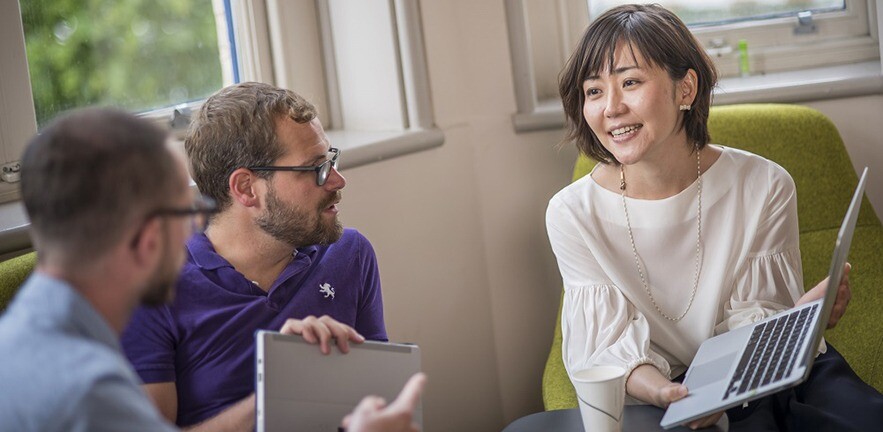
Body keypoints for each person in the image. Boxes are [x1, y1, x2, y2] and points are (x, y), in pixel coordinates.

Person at [546, 4, 883, 431]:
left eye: (630, 82)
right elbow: (607, 351)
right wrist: (669, 395)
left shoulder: (764, 184)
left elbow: (755, 321)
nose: (611, 107)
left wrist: (796, 323)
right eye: (593, 91)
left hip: (759, 375)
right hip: (657, 393)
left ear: (685, 88)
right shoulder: (572, 213)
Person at [0, 107, 424, 432]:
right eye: (190, 210)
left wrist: (286, 389)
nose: (199, 225)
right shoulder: (90, 395)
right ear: (149, 238)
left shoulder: (21, 339)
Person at [120, 82, 388, 429]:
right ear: (246, 188)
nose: (337, 180)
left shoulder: (349, 255)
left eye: (331, 160)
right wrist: (276, 394)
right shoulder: (152, 289)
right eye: (315, 168)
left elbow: (379, 398)